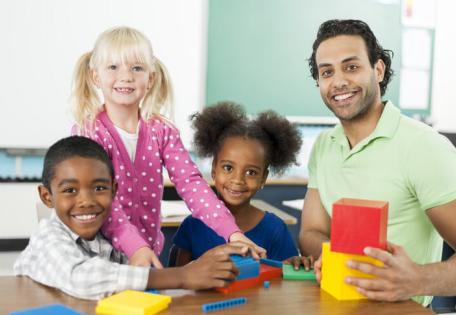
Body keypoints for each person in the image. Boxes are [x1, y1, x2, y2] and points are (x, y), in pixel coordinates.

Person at [298, 19, 456, 315]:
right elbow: (311, 231)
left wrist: (417, 279)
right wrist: (340, 261)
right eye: (327, 72)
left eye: (351, 66)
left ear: (378, 69)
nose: (338, 81)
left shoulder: (424, 146)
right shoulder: (324, 146)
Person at [69, 26, 264, 268]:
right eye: (113, 67)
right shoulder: (89, 132)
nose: (126, 76)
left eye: (136, 68)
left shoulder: (162, 131)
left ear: (150, 78)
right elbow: (99, 198)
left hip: (147, 254)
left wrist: (232, 233)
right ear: (95, 76)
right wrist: (134, 246)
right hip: (98, 256)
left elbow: (192, 184)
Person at [13, 136, 251, 300]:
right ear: (47, 197)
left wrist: (197, 267)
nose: (86, 201)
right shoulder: (47, 238)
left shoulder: (106, 238)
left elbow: (129, 280)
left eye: (99, 188)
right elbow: (82, 278)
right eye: (70, 190)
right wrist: (183, 276)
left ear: (114, 190)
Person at [172, 102, 312, 268]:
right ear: (214, 169)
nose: (238, 180)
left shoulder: (275, 229)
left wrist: (294, 266)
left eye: (251, 172)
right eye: (228, 168)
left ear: (263, 178)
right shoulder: (192, 226)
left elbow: (286, 278)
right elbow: (177, 278)